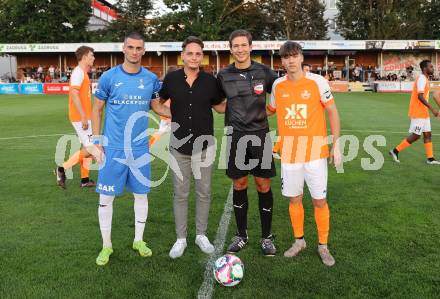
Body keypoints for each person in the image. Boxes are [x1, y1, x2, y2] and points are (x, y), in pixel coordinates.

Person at [91, 32, 170, 266]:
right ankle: (106, 246)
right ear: (123, 48)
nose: (135, 52)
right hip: (112, 148)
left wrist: (185, 114)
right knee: (106, 199)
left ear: (144, 51)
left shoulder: (151, 79)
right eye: (131, 47)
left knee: (141, 195)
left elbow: (157, 107)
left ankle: (139, 240)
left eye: (139, 48)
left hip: (139, 149)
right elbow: (97, 109)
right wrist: (97, 141)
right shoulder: (109, 77)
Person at [267, 41, 341, 266]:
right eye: (285, 57)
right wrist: (243, 112)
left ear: (301, 57)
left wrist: (335, 144)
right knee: (294, 199)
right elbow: (270, 110)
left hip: (315, 153)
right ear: (282, 61)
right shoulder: (278, 86)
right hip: (289, 153)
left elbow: (332, 112)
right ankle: (299, 241)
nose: (290, 60)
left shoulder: (318, 82)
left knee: (319, 200)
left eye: (294, 56)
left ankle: (323, 246)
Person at [155, 36, 226, 259]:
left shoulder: (210, 81)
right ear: (183, 55)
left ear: (201, 56)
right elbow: (157, 100)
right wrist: (168, 113)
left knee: (204, 192)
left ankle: (201, 235)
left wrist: (242, 99)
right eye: (190, 53)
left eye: (198, 53)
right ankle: (181, 238)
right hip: (178, 146)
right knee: (180, 193)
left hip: (204, 146)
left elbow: (220, 107)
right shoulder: (172, 79)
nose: (194, 57)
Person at [217, 29, 278, 256]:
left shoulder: (265, 72)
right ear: (230, 49)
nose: (240, 49)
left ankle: (266, 237)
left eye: (244, 45)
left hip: (260, 135)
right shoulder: (223, 75)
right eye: (236, 46)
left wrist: (268, 112)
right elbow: (216, 102)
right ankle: (241, 235)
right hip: (236, 137)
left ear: (251, 47)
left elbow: (282, 94)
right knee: (240, 184)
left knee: (263, 185)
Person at [54, 46, 96, 189]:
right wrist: (84, 116)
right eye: (91, 55)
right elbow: (74, 94)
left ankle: (85, 180)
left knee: (88, 147)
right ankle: (62, 168)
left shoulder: (82, 72)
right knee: (91, 147)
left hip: (84, 116)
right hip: (80, 116)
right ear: (84, 57)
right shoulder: (78, 72)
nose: (93, 58)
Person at [390, 60, 440, 164]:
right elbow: (420, 96)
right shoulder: (422, 79)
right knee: (416, 136)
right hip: (418, 112)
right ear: (425, 68)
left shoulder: (425, 79)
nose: (433, 68)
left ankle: (430, 158)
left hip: (424, 113)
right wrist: (433, 109)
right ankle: (395, 151)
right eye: (431, 67)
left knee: (428, 134)